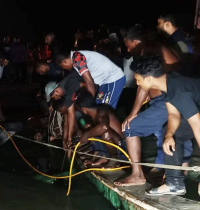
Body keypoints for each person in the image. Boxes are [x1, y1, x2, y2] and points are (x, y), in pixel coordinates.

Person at [116, 25, 192, 187]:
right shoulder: (165, 47)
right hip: (178, 97)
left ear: (136, 42)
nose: (128, 50)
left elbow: (144, 83)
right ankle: (180, 174)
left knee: (130, 127)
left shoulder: (148, 49)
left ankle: (137, 175)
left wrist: (133, 113)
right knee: (173, 133)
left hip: (166, 100)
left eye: (128, 45)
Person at [130, 56, 200, 196]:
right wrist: (169, 135)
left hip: (198, 119)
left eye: (138, 79)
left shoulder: (180, 92)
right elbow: (173, 115)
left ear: (148, 78)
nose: (137, 83)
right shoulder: (168, 83)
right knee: (171, 134)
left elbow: (198, 126)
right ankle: (174, 183)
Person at [55, 49, 125, 109]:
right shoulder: (76, 58)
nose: (65, 69)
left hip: (112, 79)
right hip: (104, 83)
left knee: (105, 109)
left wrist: (89, 102)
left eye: (63, 67)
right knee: (99, 105)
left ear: (64, 62)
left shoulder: (77, 58)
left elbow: (89, 81)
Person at [76, 92, 127, 168]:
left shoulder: (102, 112)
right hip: (114, 150)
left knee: (102, 131)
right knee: (90, 129)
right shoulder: (95, 117)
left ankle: (114, 161)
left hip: (123, 150)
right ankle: (104, 157)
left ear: (84, 110)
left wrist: (87, 135)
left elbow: (104, 127)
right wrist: (93, 159)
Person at [45, 70, 84, 151]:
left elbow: (84, 85)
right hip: (82, 103)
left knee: (83, 120)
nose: (54, 99)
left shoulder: (68, 87)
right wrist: (64, 140)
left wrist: (69, 139)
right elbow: (66, 122)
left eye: (53, 97)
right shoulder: (64, 96)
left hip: (95, 89)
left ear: (56, 91)